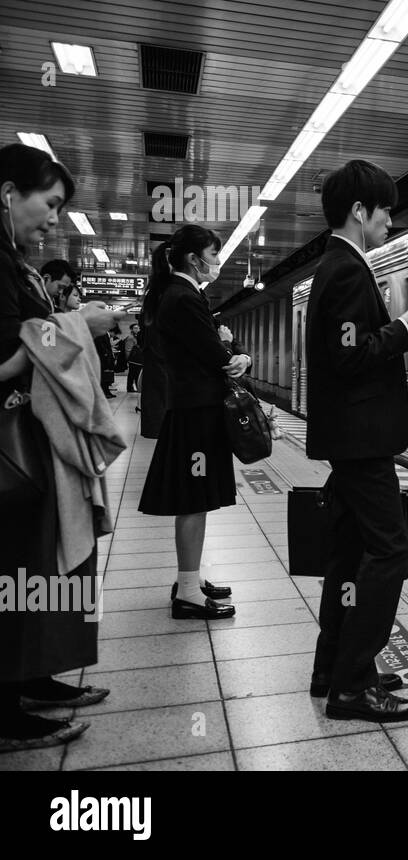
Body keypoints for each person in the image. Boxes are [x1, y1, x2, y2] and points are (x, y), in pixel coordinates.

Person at [305, 159, 408, 723]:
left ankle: (331, 669)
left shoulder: (336, 267)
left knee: (349, 556)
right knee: (390, 554)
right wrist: (406, 327)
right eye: (386, 211)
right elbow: (350, 355)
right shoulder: (345, 270)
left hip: (352, 441)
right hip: (361, 443)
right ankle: (354, 686)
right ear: (359, 212)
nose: (391, 221)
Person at [0, 143, 117, 750]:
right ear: (8, 194)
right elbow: (5, 358)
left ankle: (33, 678)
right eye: (49, 205)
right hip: (9, 448)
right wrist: (78, 327)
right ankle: (6, 709)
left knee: (34, 567)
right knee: (14, 569)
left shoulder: (15, 263)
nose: (53, 219)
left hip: (31, 441)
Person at [137, 224, 251, 620]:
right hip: (196, 416)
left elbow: (208, 347)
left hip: (192, 412)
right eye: (214, 256)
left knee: (196, 499)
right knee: (194, 500)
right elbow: (214, 355)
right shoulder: (184, 298)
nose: (216, 263)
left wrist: (224, 345)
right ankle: (187, 591)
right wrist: (235, 353)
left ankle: (190, 578)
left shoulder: (178, 295)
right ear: (193, 258)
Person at [125, 323, 142, 392]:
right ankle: (130, 388)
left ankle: (132, 387)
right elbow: (127, 349)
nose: (137, 329)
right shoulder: (130, 337)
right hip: (132, 360)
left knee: (134, 374)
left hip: (136, 359)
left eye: (138, 328)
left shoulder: (136, 336)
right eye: (135, 328)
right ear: (131, 329)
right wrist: (128, 360)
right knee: (132, 375)